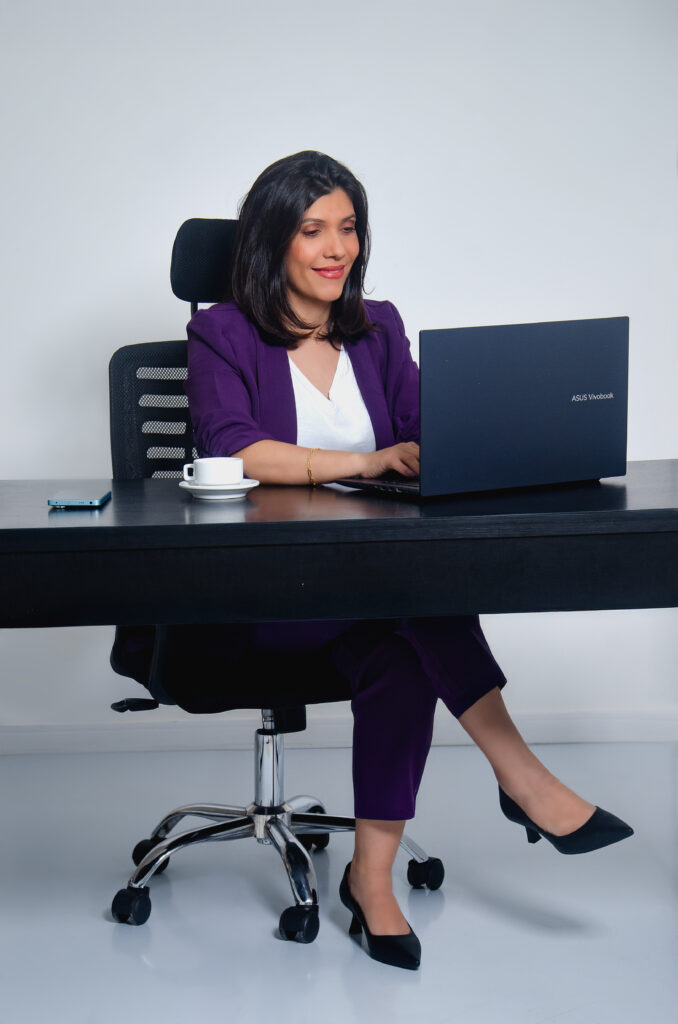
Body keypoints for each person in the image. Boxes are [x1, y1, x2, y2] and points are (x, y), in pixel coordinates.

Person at [184, 151, 633, 970]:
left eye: (348, 228)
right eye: (312, 230)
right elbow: (233, 446)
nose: (336, 248)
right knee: (419, 600)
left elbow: (429, 425)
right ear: (271, 241)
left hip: (373, 593)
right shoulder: (223, 332)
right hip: (267, 596)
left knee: (404, 648)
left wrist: (466, 443)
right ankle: (523, 778)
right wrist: (364, 462)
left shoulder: (378, 326)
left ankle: (372, 881)